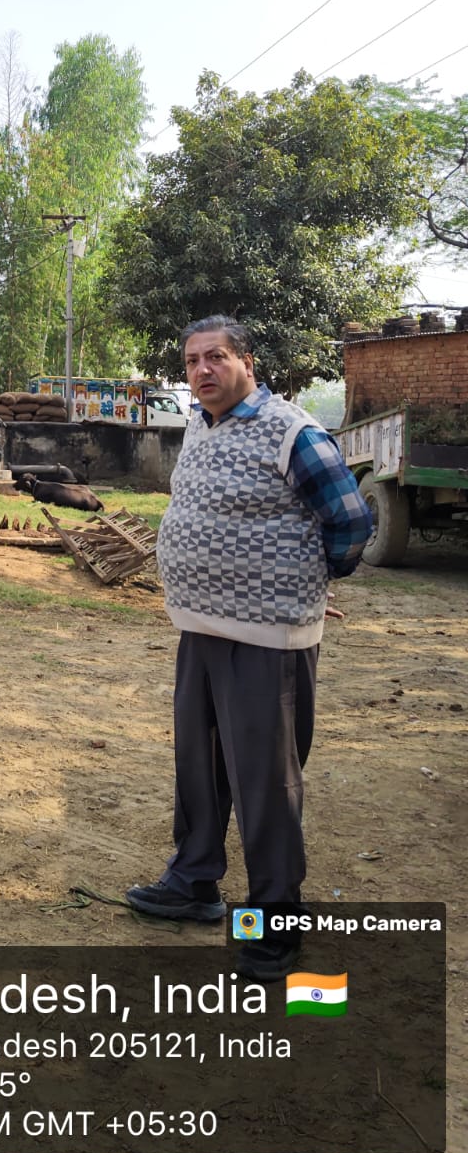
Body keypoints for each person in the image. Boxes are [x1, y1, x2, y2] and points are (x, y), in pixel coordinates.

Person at [126, 316, 371, 978]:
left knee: (265, 785)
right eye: (192, 361)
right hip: (200, 630)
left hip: (266, 641)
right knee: (198, 770)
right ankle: (193, 880)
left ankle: (276, 926)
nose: (202, 370)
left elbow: (350, 521)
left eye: (216, 357)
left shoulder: (292, 431)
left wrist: (308, 581)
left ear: (247, 362)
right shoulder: (201, 426)